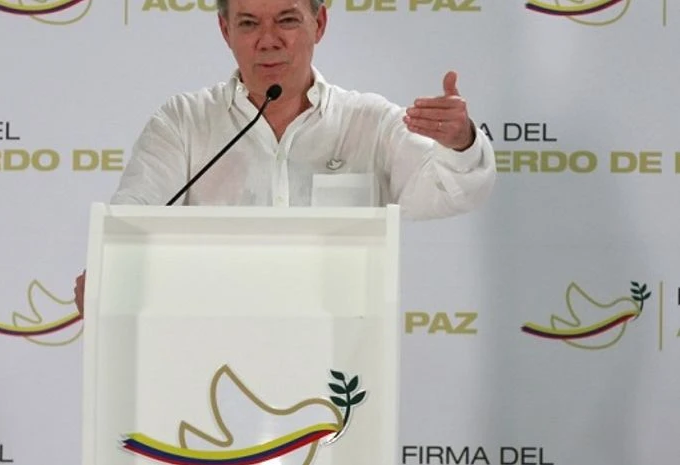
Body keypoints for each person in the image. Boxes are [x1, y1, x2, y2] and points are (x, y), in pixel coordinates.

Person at [73, 0, 496, 314]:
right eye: (249, 23)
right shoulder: (183, 122)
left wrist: (459, 142)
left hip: (340, 367)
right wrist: (110, 269)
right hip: (208, 364)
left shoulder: (369, 123)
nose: (268, 39)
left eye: (287, 20)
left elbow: (449, 193)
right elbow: (133, 216)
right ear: (226, 30)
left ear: (320, 22)